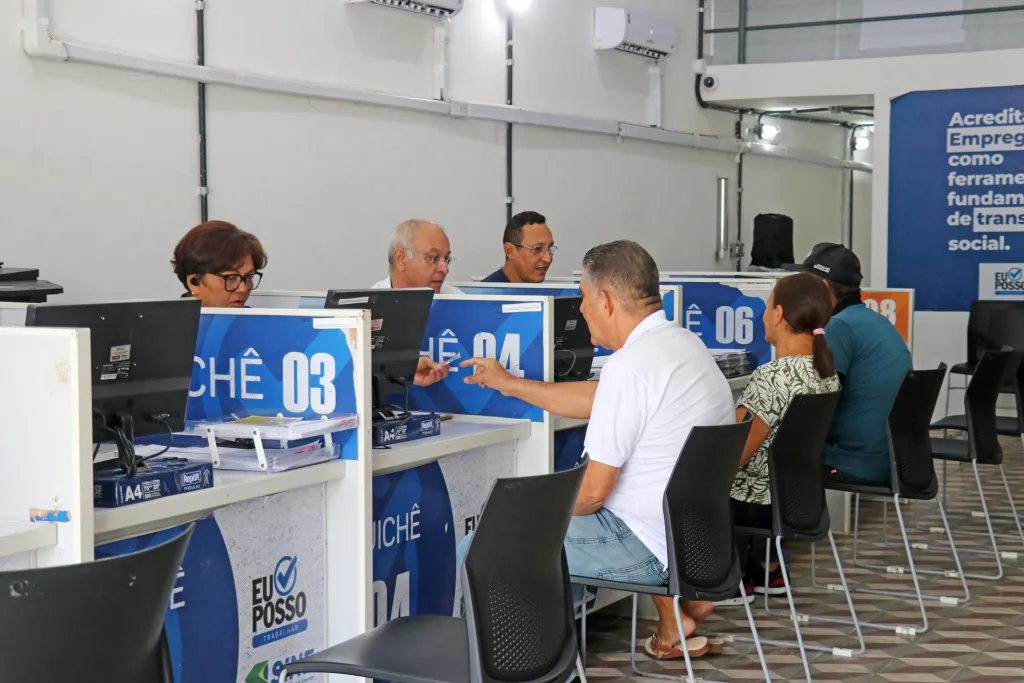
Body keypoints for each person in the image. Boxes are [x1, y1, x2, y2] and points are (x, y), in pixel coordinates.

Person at [459, 240, 734, 660]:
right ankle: (551, 658)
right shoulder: (682, 347)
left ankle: (507, 667)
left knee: (483, 543)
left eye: (584, 298)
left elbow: (591, 495)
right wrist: (509, 383)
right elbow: (600, 397)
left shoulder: (631, 366)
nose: (582, 309)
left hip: (643, 546)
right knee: (533, 538)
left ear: (605, 300)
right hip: (698, 545)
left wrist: (525, 515)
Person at [727, 272, 840, 601]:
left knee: (696, 482)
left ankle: (729, 578)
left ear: (778, 314)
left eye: (766, 306)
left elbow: (735, 452)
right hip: (798, 501)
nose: (763, 314)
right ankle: (769, 569)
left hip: (755, 506)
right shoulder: (826, 372)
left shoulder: (771, 376)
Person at [785, 243, 911, 486]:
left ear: (822, 287)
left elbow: (814, 405)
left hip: (854, 463)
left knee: (755, 466)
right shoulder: (875, 321)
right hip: (890, 460)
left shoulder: (838, 327)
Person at [172, 220, 266, 308]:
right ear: (194, 282)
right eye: (231, 278)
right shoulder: (168, 324)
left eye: (249, 277)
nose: (243, 289)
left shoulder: (260, 324)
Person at [373, 219, 461, 295]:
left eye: (446, 259)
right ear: (401, 259)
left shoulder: (458, 302)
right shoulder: (367, 309)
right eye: (434, 258)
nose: (445, 269)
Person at [482, 211, 555, 283]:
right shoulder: (484, 294)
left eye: (549, 248)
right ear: (510, 251)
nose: (548, 259)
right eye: (537, 249)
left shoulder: (536, 292)